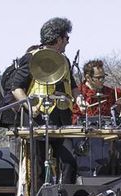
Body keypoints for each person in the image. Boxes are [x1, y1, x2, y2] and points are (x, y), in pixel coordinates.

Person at [9, 17, 80, 184]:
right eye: (66, 38)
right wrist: (28, 106)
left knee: (70, 161)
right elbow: (16, 87)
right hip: (38, 118)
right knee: (37, 167)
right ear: (58, 39)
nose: (67, 43)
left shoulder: (65, 60)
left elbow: (73, 85)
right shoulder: (31, 58)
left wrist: (80, 98)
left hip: (62, 119)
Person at [75, 59, 121, 123]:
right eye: (99, 78)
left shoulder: (110, 92)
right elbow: (74, 119)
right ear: (88, 77)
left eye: (103, 77)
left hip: (108, 130)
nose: (102, 80)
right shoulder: (77, 93)